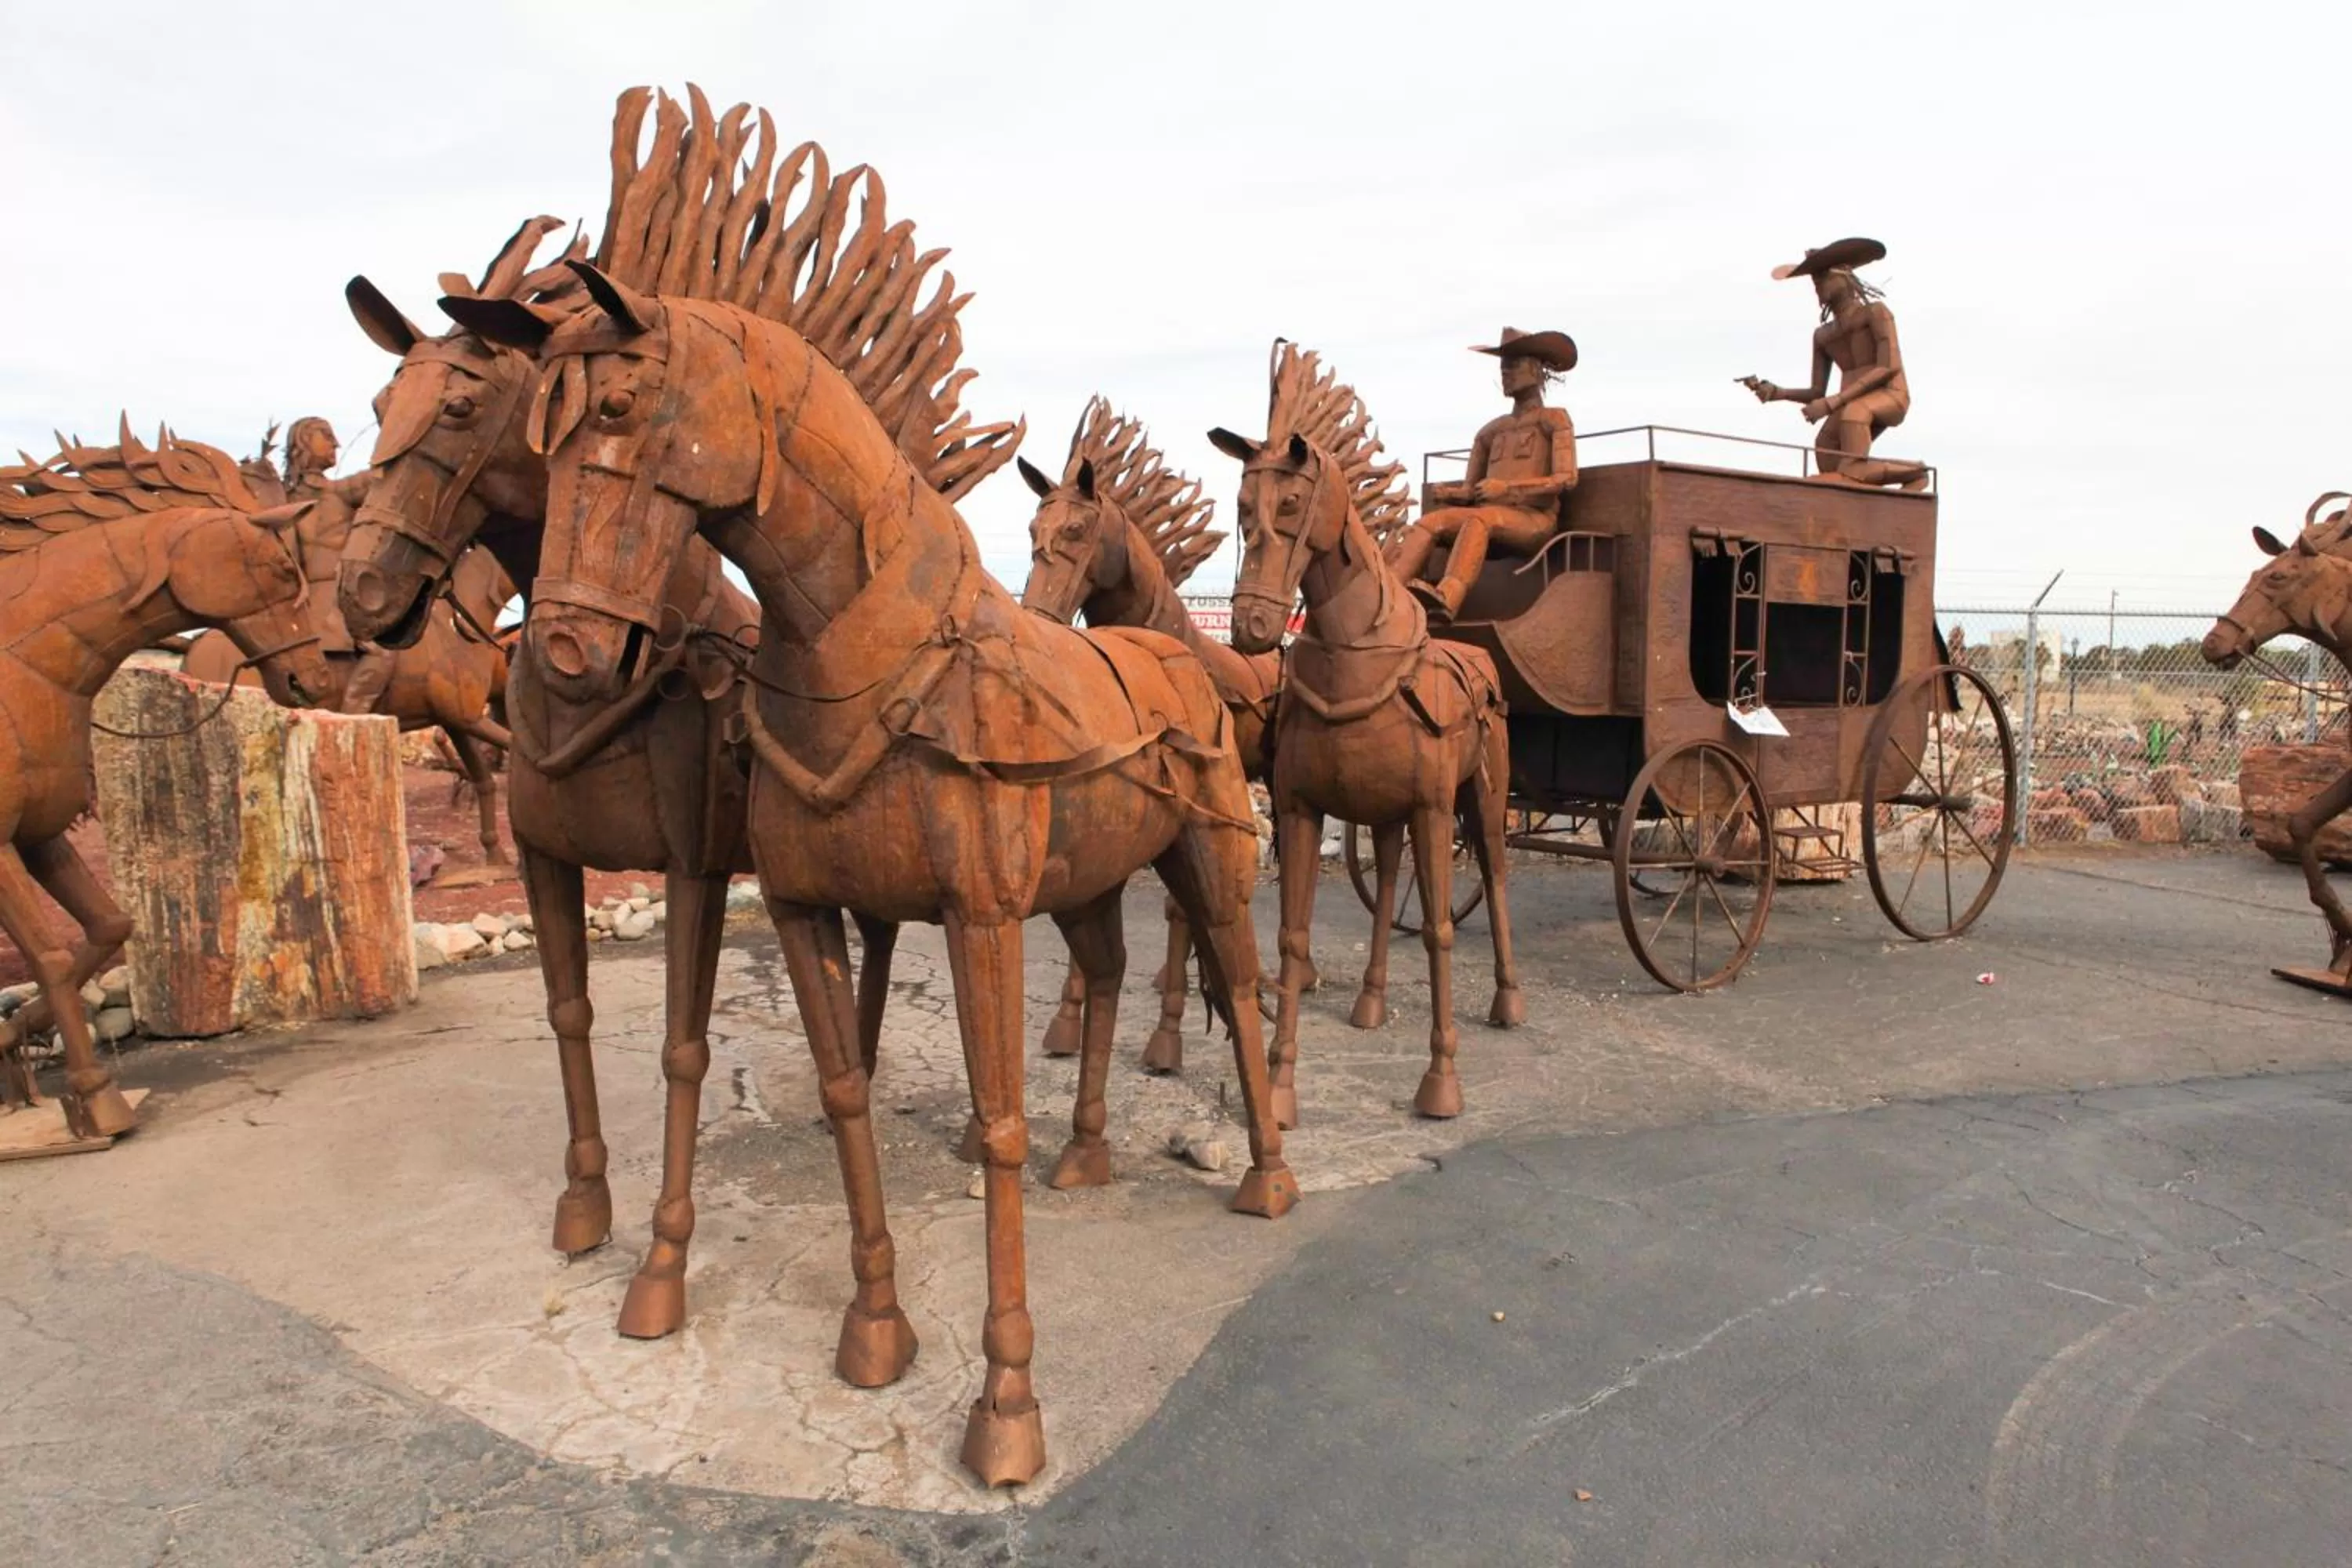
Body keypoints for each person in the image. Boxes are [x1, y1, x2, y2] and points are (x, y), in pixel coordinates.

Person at [1387, 328, 1580, 622]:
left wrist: (1508, 489)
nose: (1505, 372)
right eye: (1503, 367)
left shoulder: (1555, 419)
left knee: (1479, 520)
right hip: (1489, 516)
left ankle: (1447, 599)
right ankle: (1387, 594)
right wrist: (1452, 494)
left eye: (1513, 365)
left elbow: (1566, 478)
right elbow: (1471, 490)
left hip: (1534, 520)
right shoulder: (1491, 431)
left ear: (1536, 370)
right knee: (1429, 523)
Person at [1738, 237, 1926, 490]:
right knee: (1827, 453)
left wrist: (1832, 403)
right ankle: (1889, 485)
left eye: (1823, 276)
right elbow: (1817, 392)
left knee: (1854, 418)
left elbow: (1888, 367)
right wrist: (1778, 393)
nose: (1818, 285)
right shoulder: (1823, 335)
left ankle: (1917, 473)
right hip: (1848, 402)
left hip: (1890, 395)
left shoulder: (1876, 313)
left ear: (1844, 275)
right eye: (1815, 280)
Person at [279, 417, 396, 713]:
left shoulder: (282, 499)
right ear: (305, 441)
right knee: (382, 653)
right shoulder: (338, 493)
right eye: (327, 436)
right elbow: (386, 475)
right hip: (336, 600)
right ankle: (352, 717)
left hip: (302, 600)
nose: (336, 444)